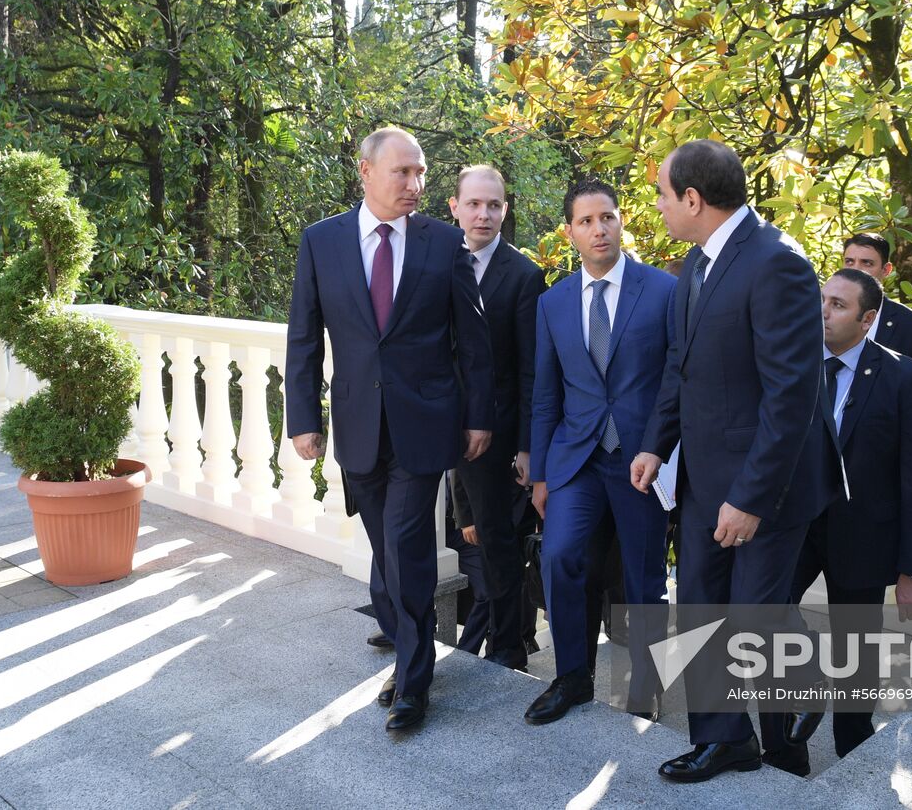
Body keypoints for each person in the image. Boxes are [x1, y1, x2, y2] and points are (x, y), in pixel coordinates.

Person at [631, 139, 834, 783]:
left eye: (664, 196)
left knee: (753, 617)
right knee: (698, 613)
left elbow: (791, 397)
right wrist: (653, 444)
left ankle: (809, 679)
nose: (659, 207)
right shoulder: (694, 265)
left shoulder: (778, 264)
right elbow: (680, 368)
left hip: (766, 488)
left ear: (693, 199)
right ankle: (724, 741)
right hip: (699, 481)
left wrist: (748, 498)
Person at [284, 126, 493, 733]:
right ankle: (408, 651)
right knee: (385, 551)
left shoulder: (443, 242)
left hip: (425, 425)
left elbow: (473, 343)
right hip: (355, 422)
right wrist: (304, 418)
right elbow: (304, 337)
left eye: (421, 172)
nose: (416, 185)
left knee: (405, 544)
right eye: (403, 172)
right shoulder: (321, 242)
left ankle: (412, 683)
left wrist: (479, 417)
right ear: (366, 171)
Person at [527, 179, 676, 725]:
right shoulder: (553, 303)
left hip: (642, 461)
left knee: (643, 579)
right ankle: (572, 678)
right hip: (577, 460)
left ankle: (648, 683)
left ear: (621, 222)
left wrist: (662, 451)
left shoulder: (661, 290)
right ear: (570, 232)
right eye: (586, 221)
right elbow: (545, 395)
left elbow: (675, 382)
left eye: (607, 217)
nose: (599, 229)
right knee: (560, 555)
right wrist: (541, 475)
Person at [785, 268, 912, 772]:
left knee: (856, 647)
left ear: (868, 319)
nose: (823, 313)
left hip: (864, 535)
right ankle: (788, 738)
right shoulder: (792, 364)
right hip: (795, 525)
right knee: (764, 607)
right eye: (821, 300)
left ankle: (855, 749)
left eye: (838, 306)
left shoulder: (903, 376)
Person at [446, 164, 547, 671]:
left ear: (505, 210)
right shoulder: (435, 259)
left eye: (494, 205)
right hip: (435, 423)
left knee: (499, 544)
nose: (484, 214)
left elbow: (530, 370)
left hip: (497, 436)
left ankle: (507, 649)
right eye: (475, 204)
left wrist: (527, 446)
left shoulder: (525, 275)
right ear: (455, 207)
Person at [841, 233, 912, 399]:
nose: (856, 269)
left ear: (886, 270)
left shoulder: (910, 324)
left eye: (867, 263)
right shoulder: (820, 317)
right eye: (849, 261)